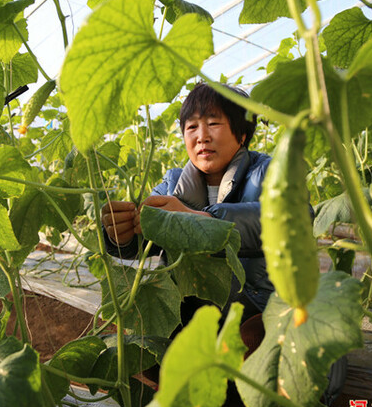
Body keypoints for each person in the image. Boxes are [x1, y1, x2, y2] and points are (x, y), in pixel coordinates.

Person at [101, 82, 273, 321]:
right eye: (192, 127)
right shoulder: (171, 183)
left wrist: (200, 221)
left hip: (255, 308)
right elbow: (146, 244)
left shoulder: (267, 170)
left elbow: (290, 220)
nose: (202, 137)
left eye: (213, 124)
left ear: (242, 134)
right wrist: (123, 236)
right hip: (189, 312)